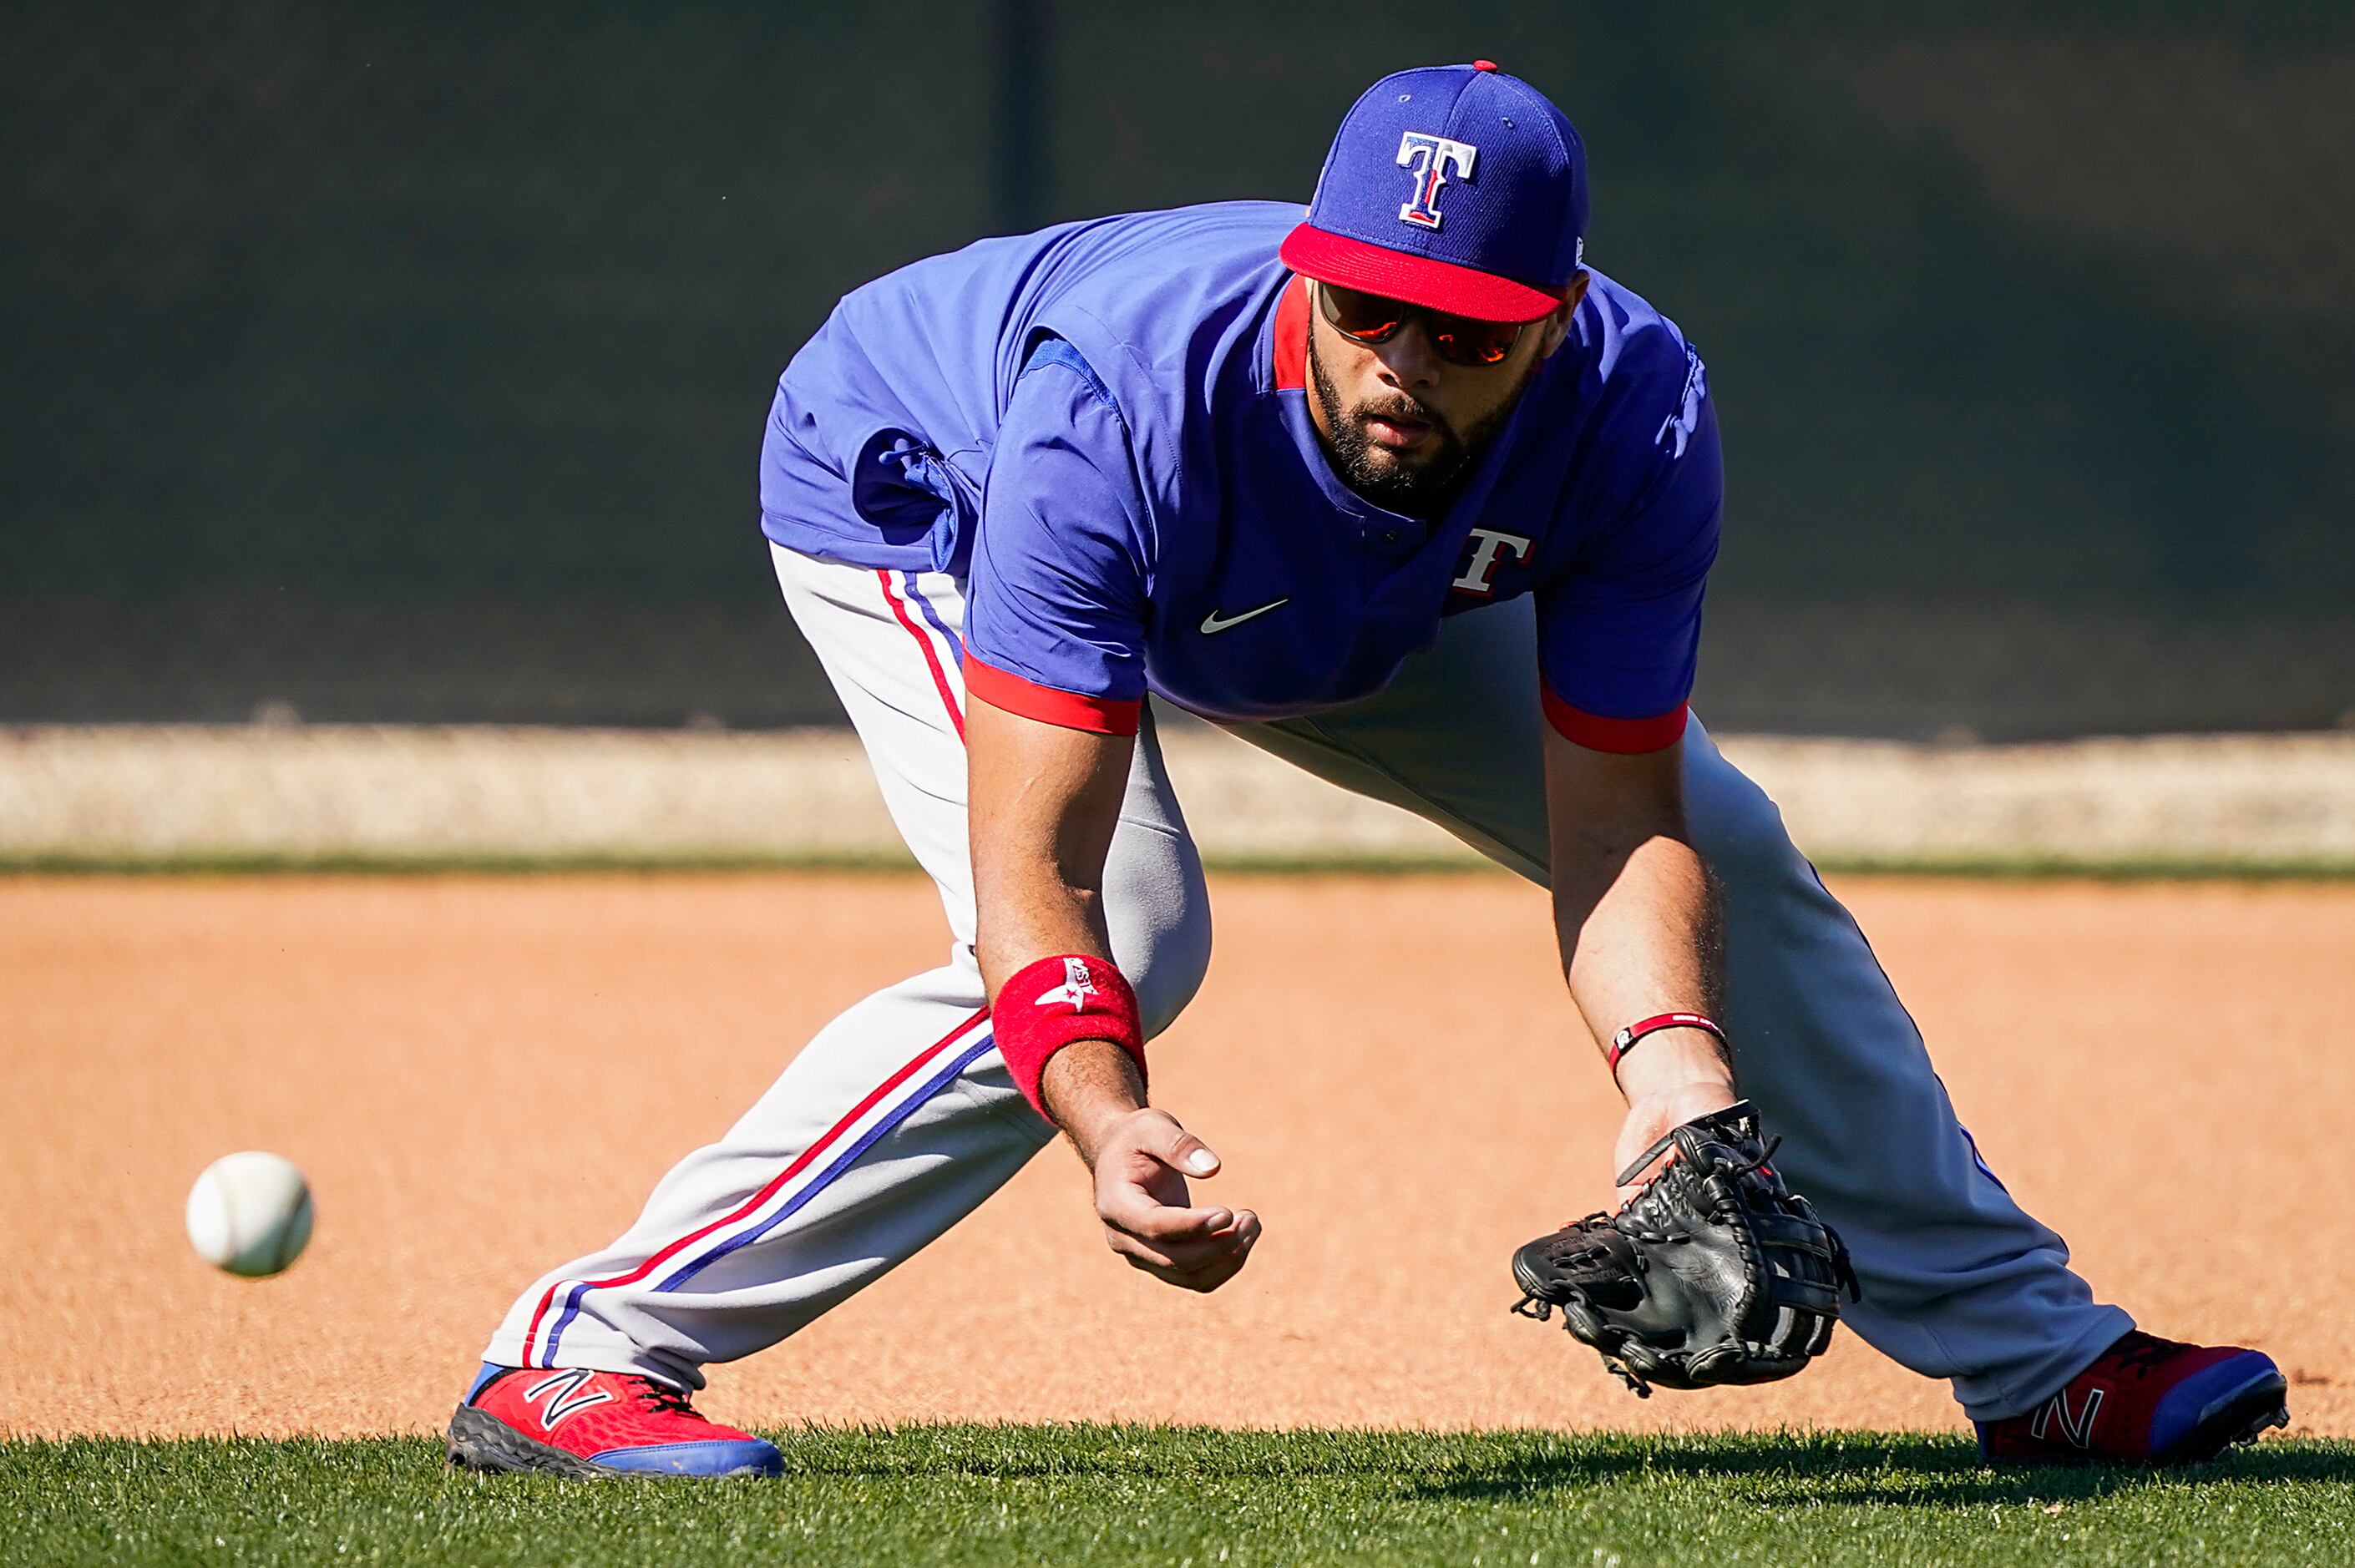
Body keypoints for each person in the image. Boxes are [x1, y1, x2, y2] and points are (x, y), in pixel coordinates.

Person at [444, 63, 2286, 1479]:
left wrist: (1678, 1097)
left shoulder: (1636, 420)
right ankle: (584, 1345)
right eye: (1365, 307)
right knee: (1136, 934)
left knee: (1730, 838)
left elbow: (1618, 818)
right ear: (1309, 276)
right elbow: (1042, 873)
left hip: (1342, 578)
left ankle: (2043, 1373)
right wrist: (1100, 1117)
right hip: (923, 482)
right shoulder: (1121, 412)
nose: (1402, 362)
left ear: (1554, 323)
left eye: (1465, 331)